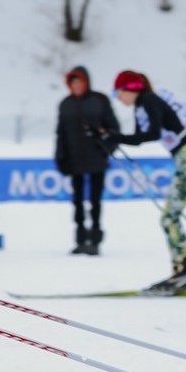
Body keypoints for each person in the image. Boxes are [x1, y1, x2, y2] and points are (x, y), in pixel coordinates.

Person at [103, 70, 186, 294]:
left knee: (169, 217)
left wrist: (115, 137)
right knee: (169, 218)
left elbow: (151, 134)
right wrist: (110, 137)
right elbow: (139, 137)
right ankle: (183, 271)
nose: (118, 97)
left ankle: (184, 272)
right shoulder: (141, 105)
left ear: (130, 88)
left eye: (118, 92)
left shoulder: (149, 100)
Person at [54, 65, 120, 255]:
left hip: (96, 160)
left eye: (79, 82)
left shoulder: (100, 100)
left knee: (95, 201)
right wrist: (60, 156)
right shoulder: (65, 104)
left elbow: (113, 127)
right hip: (74, 161)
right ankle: (80, 239)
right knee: (77, 201)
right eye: (73, 82)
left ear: (86, 82)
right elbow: (61, 133)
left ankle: (95, 239)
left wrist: (108, 147)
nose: (76, 86)